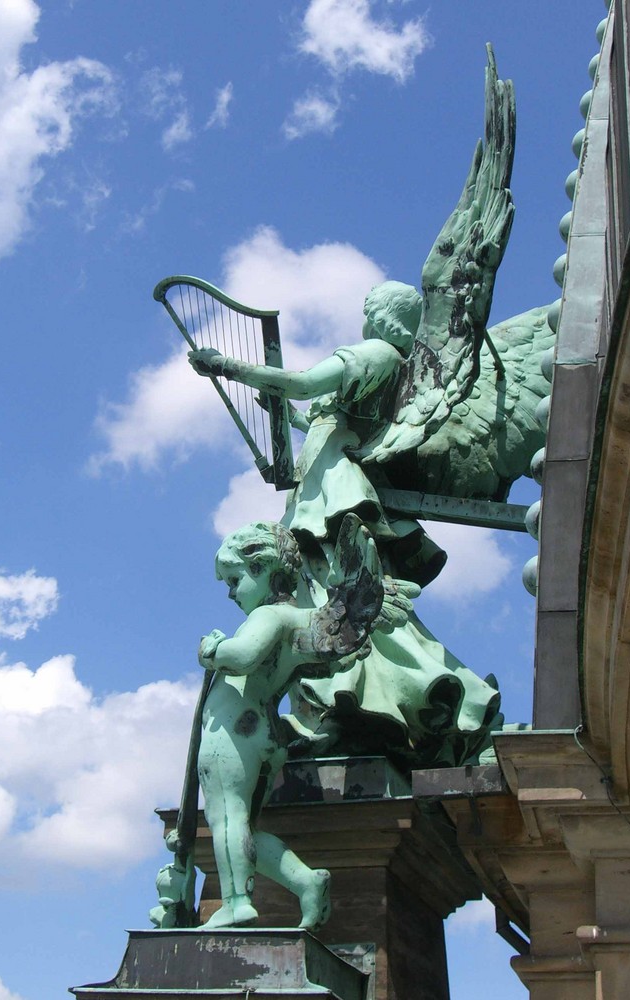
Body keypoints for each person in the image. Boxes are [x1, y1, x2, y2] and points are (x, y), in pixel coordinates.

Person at [190, 282, 501, 766]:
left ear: (382, 316)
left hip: (335, 492)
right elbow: (323, 421)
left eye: (369, 309)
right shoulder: (385, 364)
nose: (364, 317)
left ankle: (394, 699)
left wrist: (230, 367)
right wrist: (286, 415)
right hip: (320, 487)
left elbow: (306, 381)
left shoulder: (376, 353)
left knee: (342, 597)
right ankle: (350, 704)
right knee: (330, 599)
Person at [197, 518, 380, 929]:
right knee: (243, 827)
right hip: (263, 734)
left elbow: (243, 656)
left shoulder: (269, 617)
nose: (230, 593)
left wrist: (214, 649)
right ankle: (304, 881)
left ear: (263, 570)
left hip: (233, 735)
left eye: (233, 580)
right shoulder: (296, 620)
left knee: (226, 819)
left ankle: (235, 902)